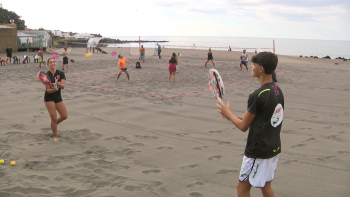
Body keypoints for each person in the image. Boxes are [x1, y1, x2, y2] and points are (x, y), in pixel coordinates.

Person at [216, 52, 284, 197]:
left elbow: (243, 126)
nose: (251, 66)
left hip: (258, 151)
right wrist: (231, 115)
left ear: (261, 69)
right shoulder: (277, 91)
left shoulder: (257, 94)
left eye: (254, 64)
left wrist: (228, 113)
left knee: (242, 188)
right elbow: (261, 118)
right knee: (266, 187)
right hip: (274, 147)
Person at [44, 58, 67, 142]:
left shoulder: (60, 73)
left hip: (58, 97)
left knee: (64, 116)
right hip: (49, 98)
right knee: (53, 118)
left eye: (54, 62)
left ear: (56, 63)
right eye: (50, 62)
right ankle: (55, 136)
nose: (52, 63)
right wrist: (53, 89)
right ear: (48, 64)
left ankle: (53, 125)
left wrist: (57, 83)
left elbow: (63, 86)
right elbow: (48, 90)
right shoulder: (46, 76)